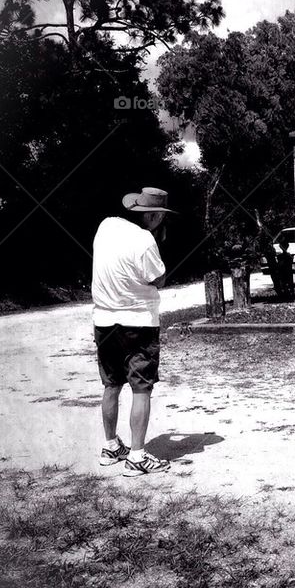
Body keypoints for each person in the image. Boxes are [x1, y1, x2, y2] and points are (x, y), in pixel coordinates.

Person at [91, 186, 173, 476]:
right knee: (141, 388)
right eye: (160, 216)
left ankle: (111, 445)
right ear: (151, 215)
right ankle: (137, 456)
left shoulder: (107, 225)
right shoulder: (145, 240)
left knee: (111, 384)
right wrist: (156, 240)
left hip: (104, 320)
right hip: (138, 322)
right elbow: (159, 279)